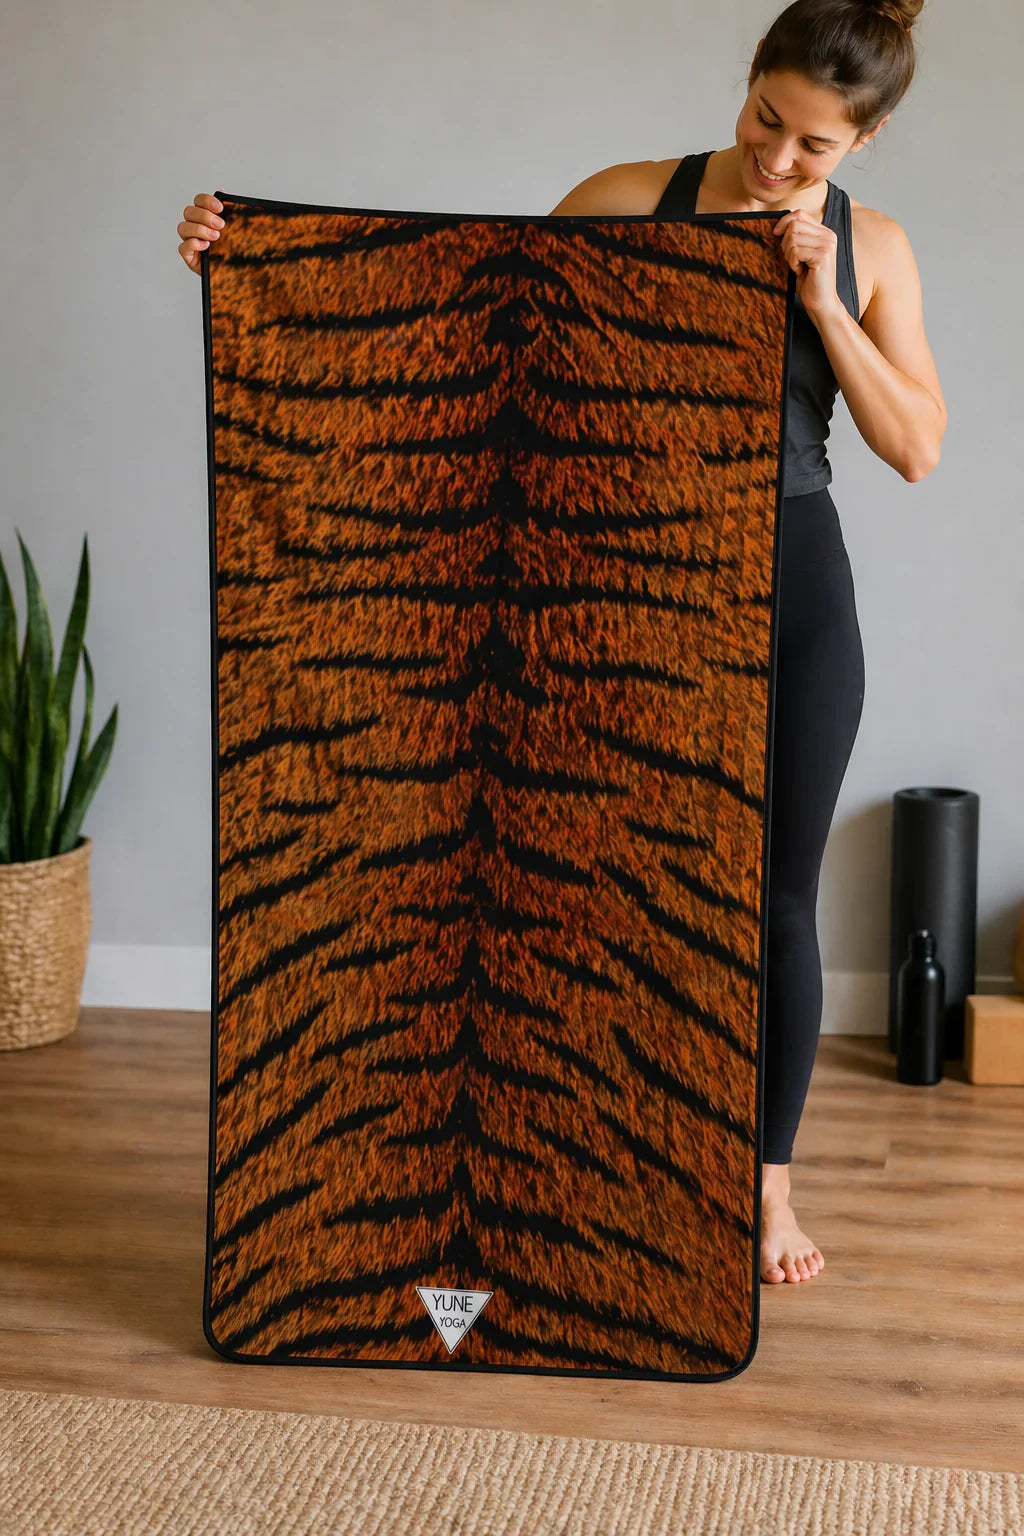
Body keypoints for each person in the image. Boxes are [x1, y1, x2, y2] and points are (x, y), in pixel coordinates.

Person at [176, 0, 946, 1289]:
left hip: (789, 589)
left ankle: (764, 1188)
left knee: (774, 898)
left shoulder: (876, 249)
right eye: (766, 119)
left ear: (860, 145)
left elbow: (916, 445)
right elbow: (462, 323)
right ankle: (577, 1155)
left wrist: (822, 303)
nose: (775, 160)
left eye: (813, 146)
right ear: (748, 79)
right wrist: (251, 260)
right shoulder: (625, 199)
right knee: (580, 873)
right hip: (611, 595)